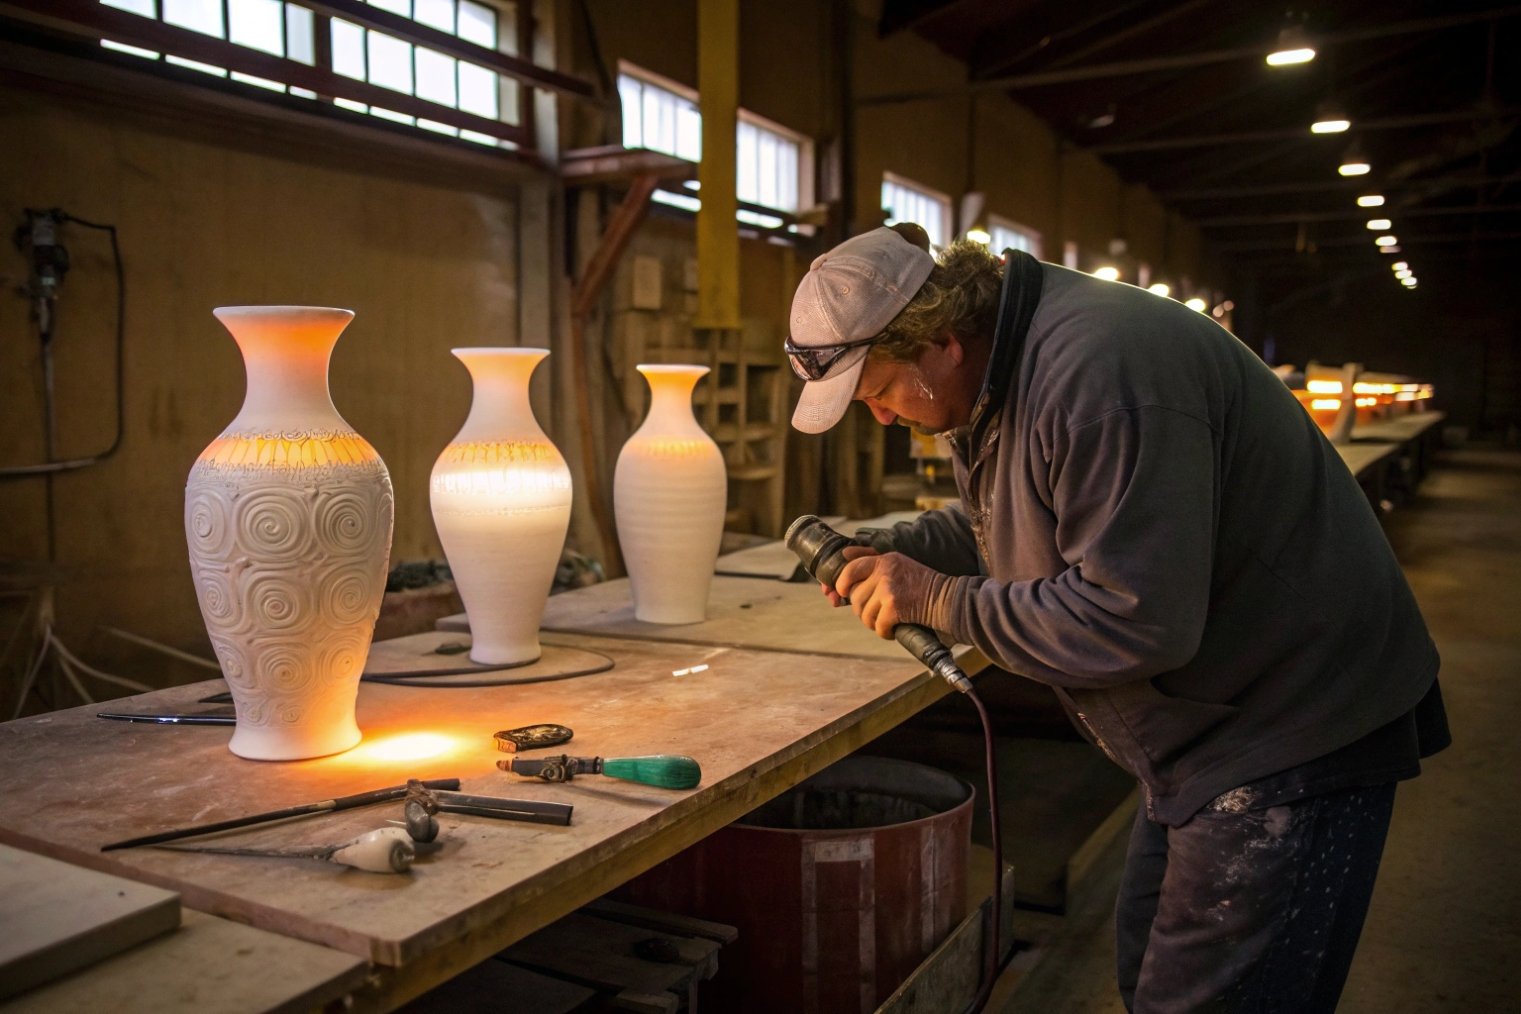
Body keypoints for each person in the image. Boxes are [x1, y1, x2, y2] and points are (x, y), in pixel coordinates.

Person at [785, 223, 1450, 1012]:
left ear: (940, 342)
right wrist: (898, 549)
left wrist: (935, 598)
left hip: (1291, 722)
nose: (882, 418)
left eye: (880, 392)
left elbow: (1131, 620)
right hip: (1203, 734)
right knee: (1146, 977)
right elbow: (1016, 515)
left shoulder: (1099, 374)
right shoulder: (1001, 375)